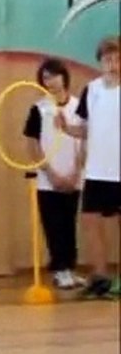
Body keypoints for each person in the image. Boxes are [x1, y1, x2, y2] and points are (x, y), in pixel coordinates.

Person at [57, 36, 120, 298]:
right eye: (107, 59)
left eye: (117, 59)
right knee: (90, 221)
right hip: (97, 171)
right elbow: (84, 129)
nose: (113, 64)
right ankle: (100, 277)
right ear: (100, 62)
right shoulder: (91, 90)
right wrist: (66, 128)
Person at [22, 58, 85, 290]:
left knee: (70, 224)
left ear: (64, 77)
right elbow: (32, 144)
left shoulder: (78, 106)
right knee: (54, 225)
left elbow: (85, 139)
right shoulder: (38, 109)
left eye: (54, 76)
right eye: (45, 78)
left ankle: (70, 269)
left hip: (74, 178)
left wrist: (76, 172)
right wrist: (50, 173)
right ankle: (60, 270)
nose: (50, 81)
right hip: (48, 181)